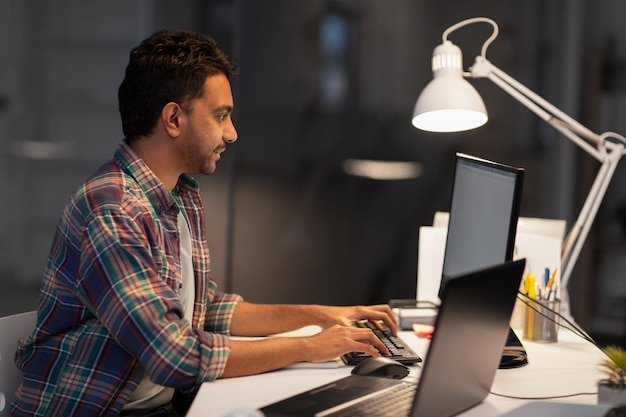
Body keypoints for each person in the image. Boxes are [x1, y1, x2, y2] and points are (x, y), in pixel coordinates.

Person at [11, 30, 398, 417]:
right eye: (221, 115)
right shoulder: (114, 211)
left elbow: (206, 309)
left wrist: (319, 316)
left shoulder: (177, 196)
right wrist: (309, 347)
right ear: (174, 119)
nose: (231, 133)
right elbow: (173, 356)